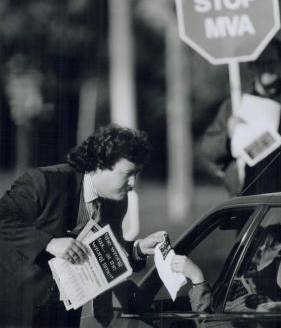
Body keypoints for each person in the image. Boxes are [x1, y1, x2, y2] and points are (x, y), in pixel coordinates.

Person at [0, 123, 166, 328]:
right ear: (99, 165)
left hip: (64, 316)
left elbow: (104, 253)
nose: (133, 183)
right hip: (15, 312)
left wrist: (137, 250)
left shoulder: (116, 201)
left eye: (137, 174)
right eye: (127, 174)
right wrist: (49, 242)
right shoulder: (44, 181)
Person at [200, 38, 281, 196]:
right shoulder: (234, 104)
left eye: (272, 61)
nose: (267, 67)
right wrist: (229, 137)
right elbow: (208, 147)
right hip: (246, 197)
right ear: (252, 65)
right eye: (261, 62)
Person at [171, 224, 281, 313]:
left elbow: (207, 319)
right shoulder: (240, 272)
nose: (261, 248)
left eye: (272, 246)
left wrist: (197, 277)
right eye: (262, 241)